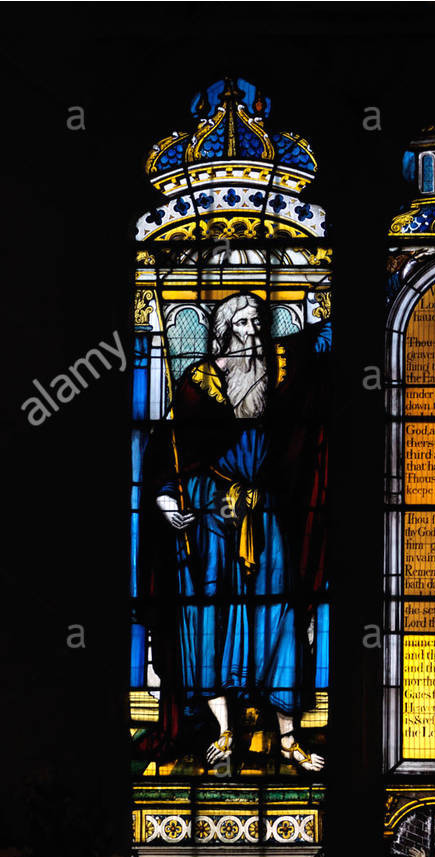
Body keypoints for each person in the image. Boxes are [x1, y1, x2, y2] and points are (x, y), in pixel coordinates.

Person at [138, 292, 328, 771]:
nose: (252, 330)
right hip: (211, 509)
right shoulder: (199, 383)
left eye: (257, 321)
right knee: (211, 615)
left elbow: (317, 348)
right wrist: (165, 501)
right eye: (241, 322)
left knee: (279, 610)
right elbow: (169, 450)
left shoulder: (281, 370)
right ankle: (224, 730)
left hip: (262, 509)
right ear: (223, 329)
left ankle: (288, 738)